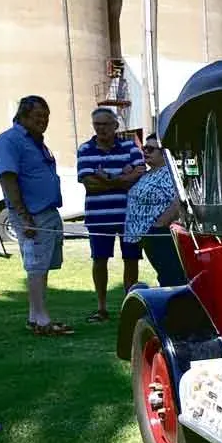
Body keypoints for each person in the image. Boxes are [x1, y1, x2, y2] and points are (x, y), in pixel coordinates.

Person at [0, 95, 74, 336]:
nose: (43, 121)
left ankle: (34, 316)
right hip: (32, 215)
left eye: (46, 116)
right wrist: (24, 216)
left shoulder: (36, 141)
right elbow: (8, 178)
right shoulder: (9, 140)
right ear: (23, 116)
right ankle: (41, 320)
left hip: (46, 212)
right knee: (36, 266)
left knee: (42, 266)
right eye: (38, 116)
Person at [76, 107, 145, 322]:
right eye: (97, 124)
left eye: (105, 124)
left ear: (116, 125)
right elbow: (89, 183)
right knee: (99, 260)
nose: (101, 129)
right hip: (99, 216)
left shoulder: (130, 147)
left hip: (129, 216)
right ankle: (101, 308)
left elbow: (139, 175)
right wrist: (122, 177)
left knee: (131, 260)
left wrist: (104, 177)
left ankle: (128, 305)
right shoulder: (85, 149)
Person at [123, 134, 188, 287]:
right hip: (145, 235)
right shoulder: (148, 173)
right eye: (144, 148)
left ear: (164, 153)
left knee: (170, 276)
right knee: (164, 274)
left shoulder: (168, 173)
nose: (145, 151)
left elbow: (179, 200)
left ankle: (174, 301)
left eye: (151, 149)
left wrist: (159, 224)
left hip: (159, 235)